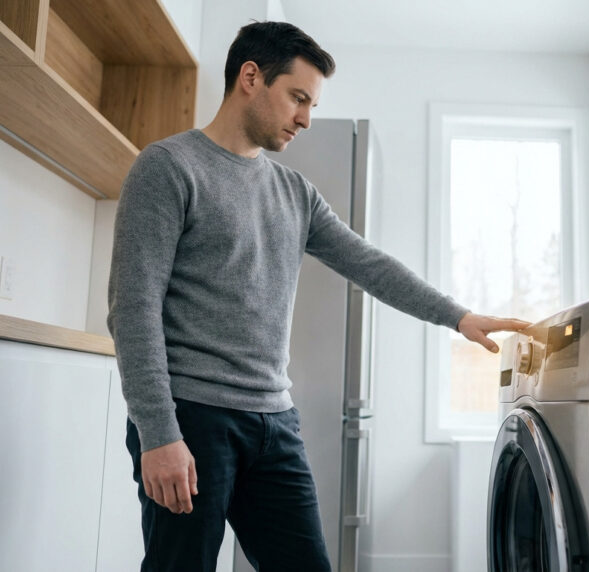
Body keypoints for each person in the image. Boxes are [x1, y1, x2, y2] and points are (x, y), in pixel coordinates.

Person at [107, 21, 529, 572]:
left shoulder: (294, 193)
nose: (306, 118)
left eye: (311, 103)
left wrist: (459, 316)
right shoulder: (168, 168)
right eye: (298, 98)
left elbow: (369, 264)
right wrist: (158, 434)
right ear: (251, 79)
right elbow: (133, 309)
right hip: (192, 419)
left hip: (274, 423)